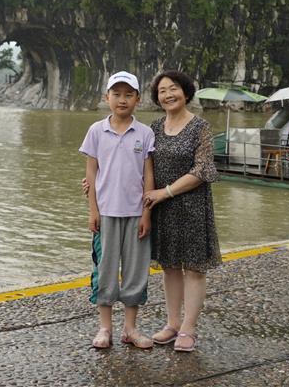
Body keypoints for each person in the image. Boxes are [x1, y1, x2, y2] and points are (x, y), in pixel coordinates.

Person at [142, 70, 220, 352]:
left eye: (173, 88)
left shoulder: (200, 127)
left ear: (186, 92)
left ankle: (189, 328)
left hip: (192, 206)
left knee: (194, 269)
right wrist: (95, 178)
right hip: (164, 210)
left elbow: (203, 170)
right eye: (162, 91)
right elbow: (138, 164)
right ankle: (172, 324)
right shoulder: (153, 127)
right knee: (170, 267)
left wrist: (165, 192)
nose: (168, 94)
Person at [79, 71, 155, 350]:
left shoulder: (145, 133)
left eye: (128, 94)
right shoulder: (96, 131)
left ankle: (130, 328)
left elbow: (148, 176)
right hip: (107, 213)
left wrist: (147, 212)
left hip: (136, 213)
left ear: (138, 99)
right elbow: (91, 171)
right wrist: (92, 211)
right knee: (105, 270)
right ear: (106, 97)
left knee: (136, 272)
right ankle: (105, 328)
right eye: (116, 94)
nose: (122, 100)